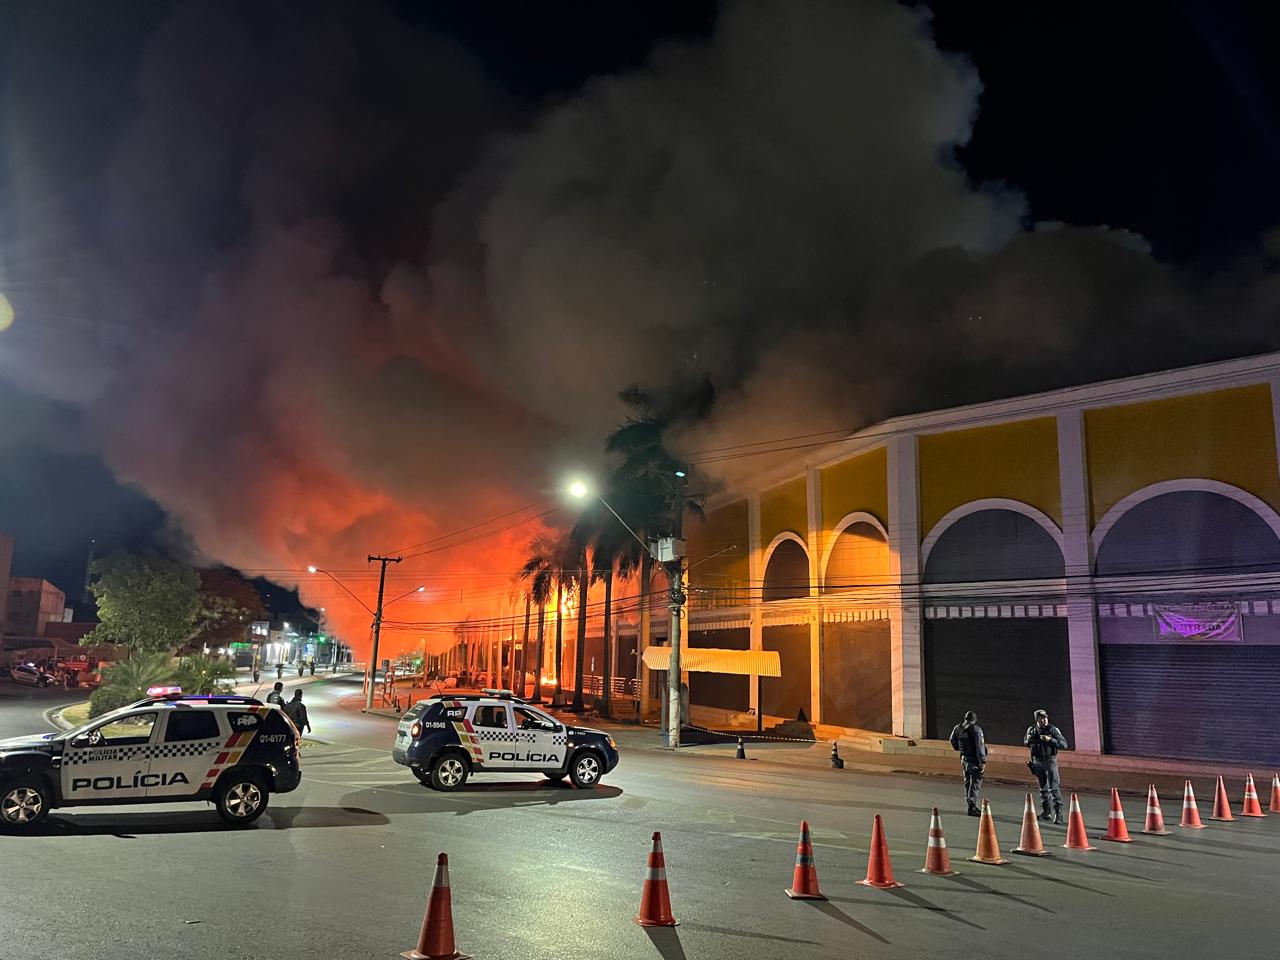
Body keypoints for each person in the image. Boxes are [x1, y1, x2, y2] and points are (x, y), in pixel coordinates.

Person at [1025, 708, 1069, 823]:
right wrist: (1029, 740)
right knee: (1043, 789)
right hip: (1037, 762)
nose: (1044, 720)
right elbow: (1026, 742)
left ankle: (1058, 814)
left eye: (1046, 718)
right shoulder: (1032, 730)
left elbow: (1064, 744)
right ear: (1037, 720)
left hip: (1049, 761)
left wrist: (1051, 740)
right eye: (1041, 718)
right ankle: (1046, 812)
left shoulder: (1052, 730)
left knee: (1053, 788)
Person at [949, 710, 987, 816]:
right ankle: (972, 807)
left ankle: (969, 803)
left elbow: (952, 741)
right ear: (974, 720)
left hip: (964, 759)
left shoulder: (958, 728)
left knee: (967, 782)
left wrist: (959, 749)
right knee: (975, 783)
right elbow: (980, 746)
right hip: (974, 761)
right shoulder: (976, 730)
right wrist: (982, 761)